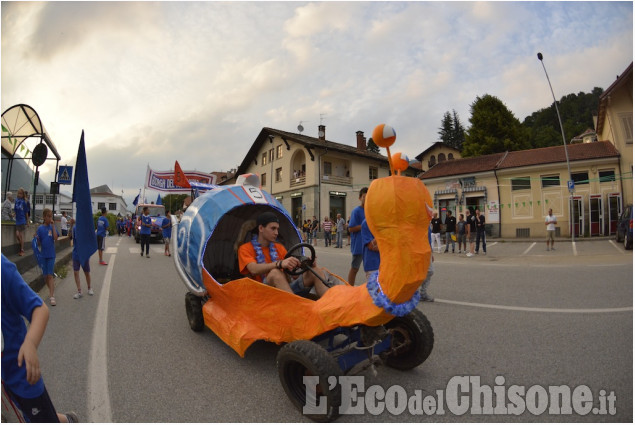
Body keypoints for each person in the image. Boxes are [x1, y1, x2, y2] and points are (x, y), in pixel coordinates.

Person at [1, 254, 78, 423]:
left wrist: (30, 343)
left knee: (40, 417)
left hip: (21, 377)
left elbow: (39, 309)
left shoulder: (2, 269)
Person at [237, 212, 331, 297]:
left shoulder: (279, 247)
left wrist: (306, 266)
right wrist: (279, 264)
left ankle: (331, 307)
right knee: (275, 273)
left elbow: (294, 276)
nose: (276, 233)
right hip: (262, 293)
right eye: (273, 228)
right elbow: (253, 269)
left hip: (285, 289)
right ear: (261, 228)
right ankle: (296, 310)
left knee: (316, 271)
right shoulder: (245, 248)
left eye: (277, 229)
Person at [35, 208, 58, 306]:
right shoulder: (40, 228)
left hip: (51, 254)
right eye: (48, 216)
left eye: (51, 216)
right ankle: (51, 289)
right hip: (43, 255)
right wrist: (36, 239)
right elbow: (39, 242)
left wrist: (53, 226)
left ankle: (52, 296)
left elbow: (56, 238)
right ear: (44, 217)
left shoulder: (52, 227)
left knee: (50, 275)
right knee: (45, 277)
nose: (50, 218)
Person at [347, 187, 368, 285]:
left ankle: (371, 290)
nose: (366, 198)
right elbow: (351, 229)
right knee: (355, 268)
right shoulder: (356, 211)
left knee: (371, 269)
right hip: (359, 245)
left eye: (369, 196)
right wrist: (365, 225)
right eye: (364, 196)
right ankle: (350, 288)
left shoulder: (371, 210)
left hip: (370, 244)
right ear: (360, 198)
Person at [71, 221, 93, 299]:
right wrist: (71, 225)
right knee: (76, 272)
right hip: (76, 254)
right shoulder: (74, 228)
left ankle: (89, 288)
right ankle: (79, 291)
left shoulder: (85, 229)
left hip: (84, 254)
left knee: (86, 272)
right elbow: (71, 239)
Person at [419, 226, 435, 302]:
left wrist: (431, 253)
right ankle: (420, 292)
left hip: (427, 251)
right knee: (429, 271)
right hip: (420, 251)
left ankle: (422, 293)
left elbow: (429, 239)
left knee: (430, 271)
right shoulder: (419, 222)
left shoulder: (427, 223)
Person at [14, 188, 29, 256]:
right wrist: (13, 214)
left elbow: (26, 212)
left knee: (20, 235)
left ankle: (22, 249)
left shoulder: (23, 202)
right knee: (17, 234)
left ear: (23, 195)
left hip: (22, 220)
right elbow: (15, 210)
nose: (19, 194)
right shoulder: (16, 201)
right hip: (17, 220)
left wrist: (27, 221)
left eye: (21, 193)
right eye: (18, 193)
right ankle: (21, 245)